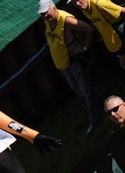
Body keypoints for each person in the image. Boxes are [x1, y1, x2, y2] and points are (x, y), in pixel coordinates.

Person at [38, 0, 102, 133]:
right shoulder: (48, 20)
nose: (45, 16)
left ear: (54, 8)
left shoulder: (66, 19)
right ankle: (98, 106)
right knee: (76, 89)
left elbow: (89, 29)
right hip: (62, 62)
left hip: (74, 59)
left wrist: (85, 48)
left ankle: (95, 119)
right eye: (42, 14)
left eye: (46, 12)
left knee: (86, 90)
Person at [71, 0, 125, 99]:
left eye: (78, 0)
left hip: (124, 31)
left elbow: (123, 10)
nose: (77, 4)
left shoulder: (100, 3)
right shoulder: (85, 10)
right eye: (74, 3)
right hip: (113, 37)